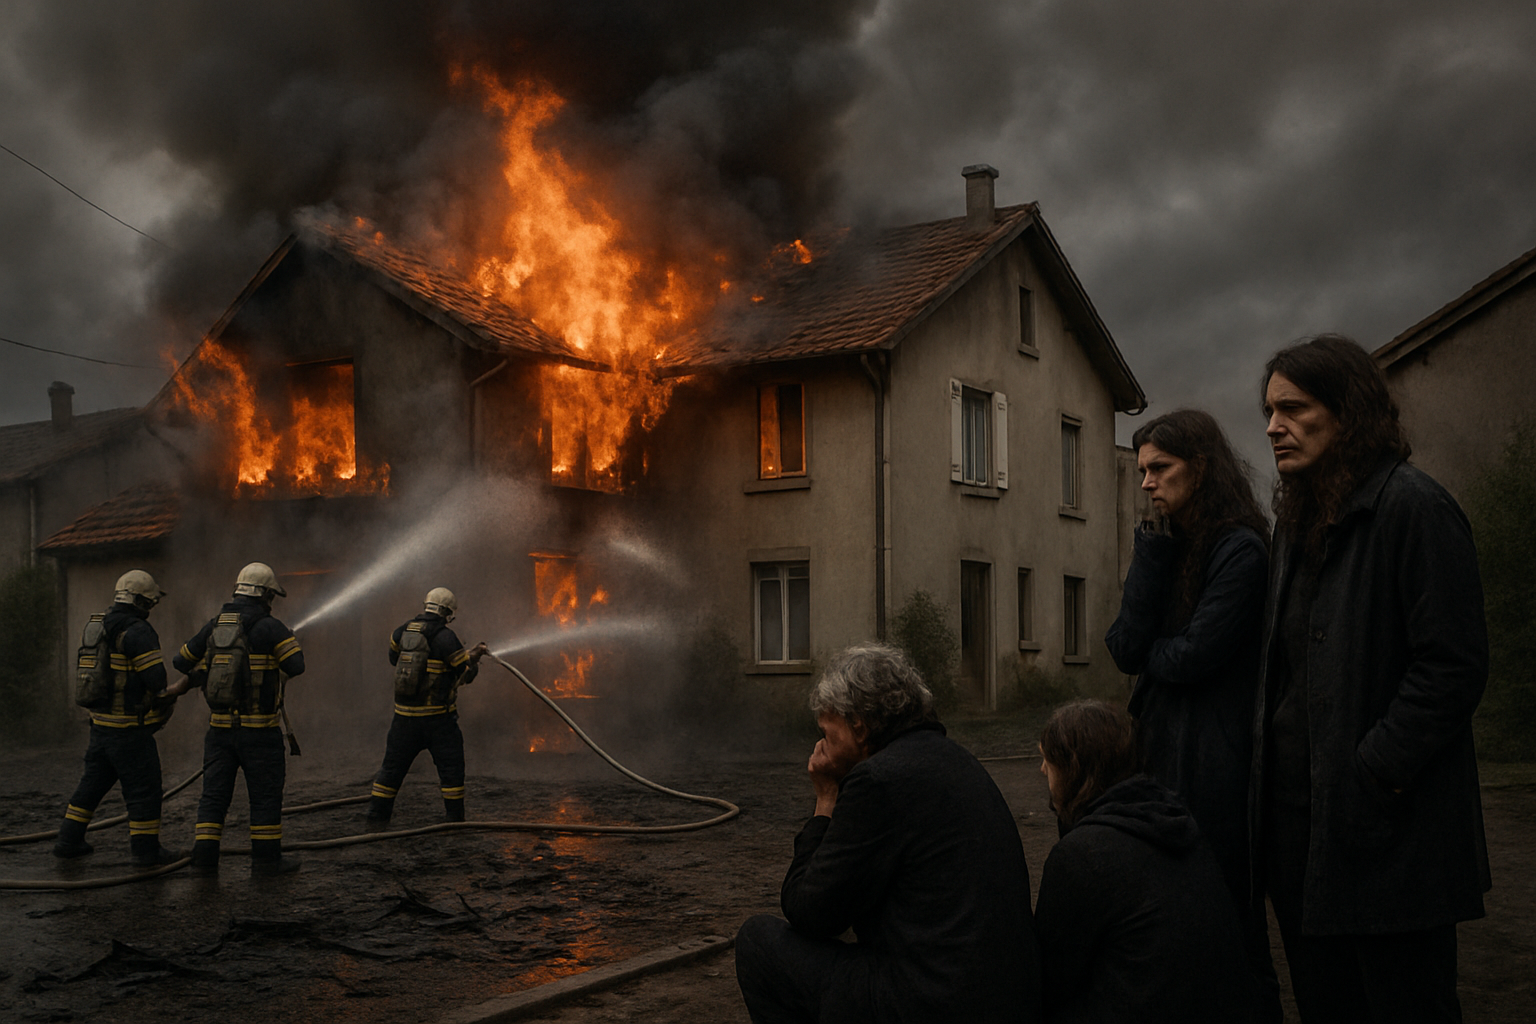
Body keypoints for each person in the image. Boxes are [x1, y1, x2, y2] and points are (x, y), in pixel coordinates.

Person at [1253, 334, 1490, 1023]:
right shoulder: (1293, 527)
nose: (1273, 427)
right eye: (1269, 411)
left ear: (1349, 411)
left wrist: (1373, 771)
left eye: (1293, 409)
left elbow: (1453, 665)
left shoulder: (1415, 509)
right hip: (1301, 836)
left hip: (1389, 834)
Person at [735, 643, 1040, 1024]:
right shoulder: (957, 760)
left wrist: (827, 798)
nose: (820, 747)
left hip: (936, 1002)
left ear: (858, 728)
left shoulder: (878, 781)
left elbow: (809, 910)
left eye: (827, 734)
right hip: (1006, 995)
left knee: (757, 942)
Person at [1103, 408, 1278, 1019]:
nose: (1147, 481)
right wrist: (1150, 557)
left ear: (1199, 469)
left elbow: (1194, 656)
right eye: (1143, 469)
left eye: (1160, 468)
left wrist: (1156, 655)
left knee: (1229, 918)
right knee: (1173, 917)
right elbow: (1126, 649)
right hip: (1160, 754)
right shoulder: (1162, 545)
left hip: (1219, 764)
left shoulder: (1242, 550)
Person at [1034, 699, 1251, 1024]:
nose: (1042, 769)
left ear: (1072, 766)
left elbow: (1048, 980)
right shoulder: (1176, 822)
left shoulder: (1083, 855)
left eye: (1045, 759)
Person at [169, 561, 306, 875]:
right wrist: (287, 642)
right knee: (265, 796)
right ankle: (267, 862)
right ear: (264, 595)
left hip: (219, 733)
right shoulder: (271, 628)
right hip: (260, 733)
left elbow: (180, 660)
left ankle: (203, 861)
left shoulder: (215, 625)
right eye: (271, 596)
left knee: (214, 797)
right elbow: (296, 665)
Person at [53, 570, 181, 868]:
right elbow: (156, 680)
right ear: (140, 602)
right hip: (128, 730)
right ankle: (146, 852)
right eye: (149, 603)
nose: (151, 609)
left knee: (91, 786)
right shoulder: (138, 631)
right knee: (144, 789)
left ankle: (68, 841)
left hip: (100, 726)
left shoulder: (96, 625)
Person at [364, 587, 487, 827]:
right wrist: (476, 656)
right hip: (438, 721)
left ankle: (376, 820)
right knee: (451, 769)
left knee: (391, 770)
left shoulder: (400, 632)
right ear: (447, 613)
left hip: (403, 720)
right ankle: (454, 819)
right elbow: (464, 670)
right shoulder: (445, 637)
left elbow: (393, 659)